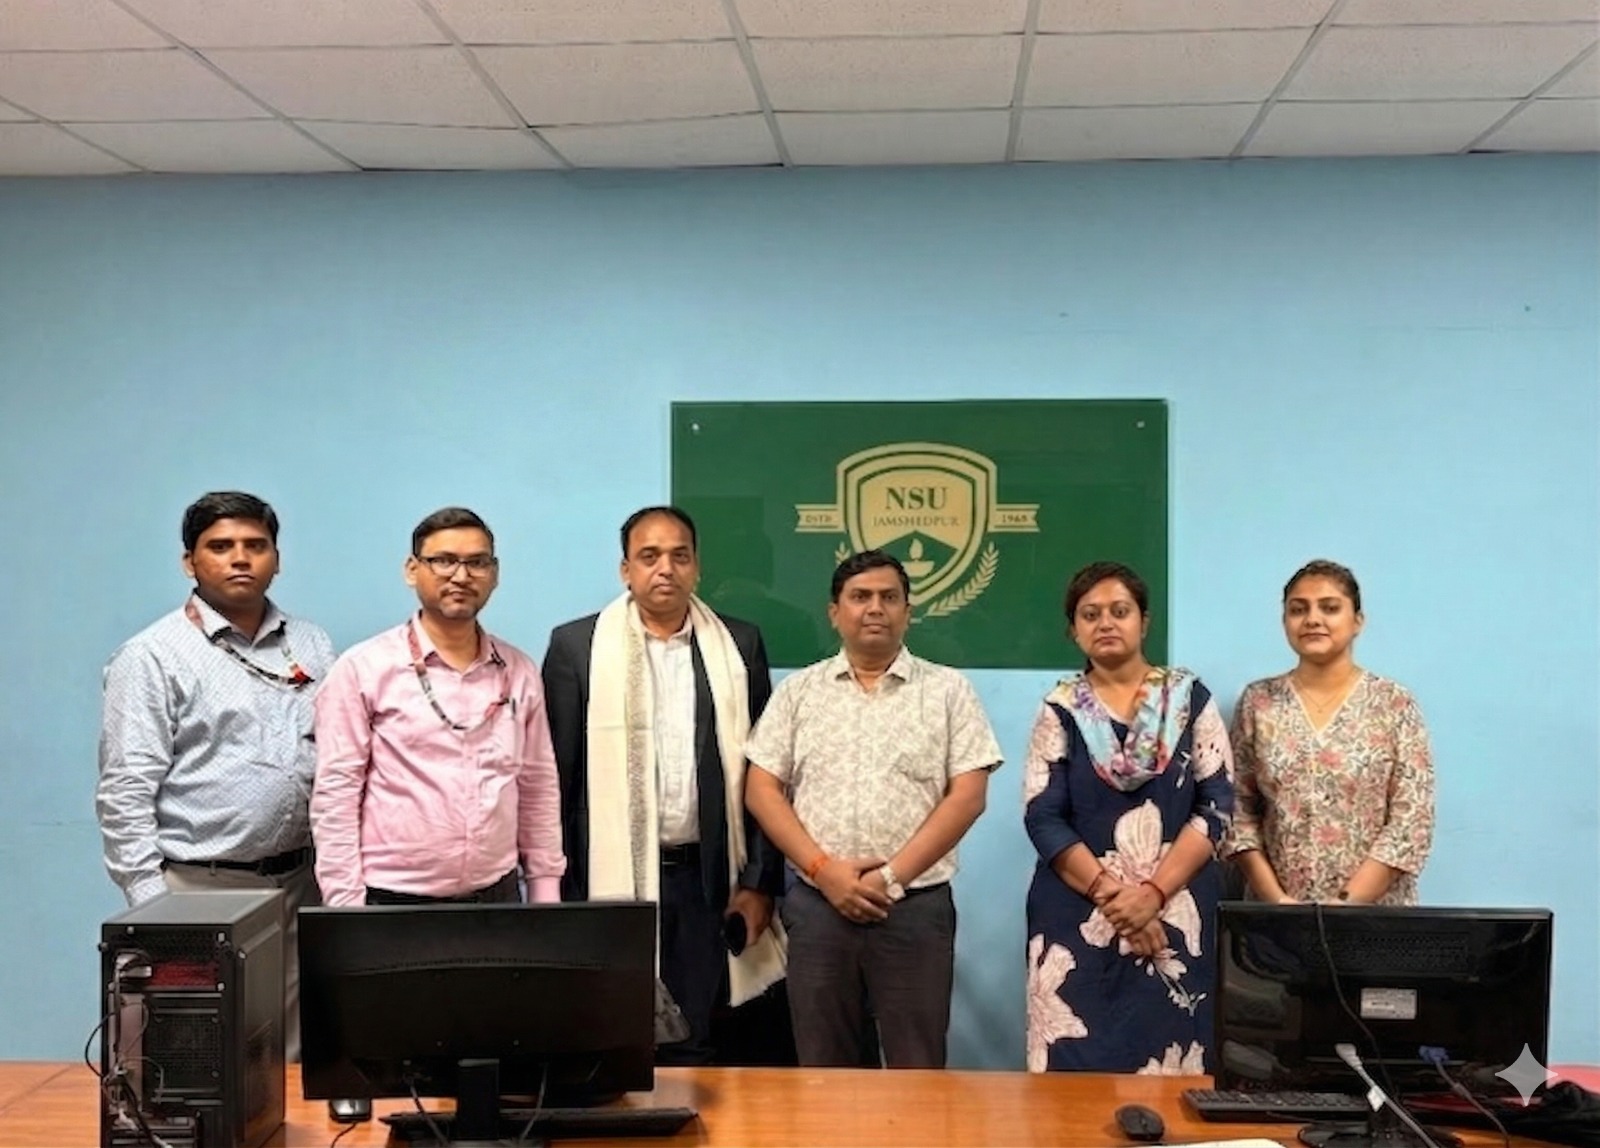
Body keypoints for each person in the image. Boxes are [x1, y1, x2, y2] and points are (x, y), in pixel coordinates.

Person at [542, 506, 787, 1066]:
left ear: (697, 567)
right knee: (611, 1040)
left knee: (696, 1041)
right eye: (649, 556)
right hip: (605, 883)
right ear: (625, 569)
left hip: (707, 881)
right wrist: (558, 893)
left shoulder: (739, 645)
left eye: (680, 556)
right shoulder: (577, 647)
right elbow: (554, 779)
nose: (665, 569)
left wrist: (759, 883)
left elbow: (766, 774)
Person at [96, 491, 336, 1059]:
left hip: (300, 885)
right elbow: (125, 788)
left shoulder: (312, 643)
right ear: (190, 562)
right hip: (198, 888)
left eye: (256, 545)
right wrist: (153, 905)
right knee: (199, 1061)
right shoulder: (153, 655)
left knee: (292, 1057)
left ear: (277, 558)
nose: (240, 558)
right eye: (221, 546)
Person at [744, 549, 1001, 1069]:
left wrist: (890, 877)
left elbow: (968, 796)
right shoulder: (798, 693)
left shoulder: (949, 692)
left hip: (914, 908)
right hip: (818, 907)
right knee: (825, 1067)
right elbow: (761, 790)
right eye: (860, 597)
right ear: (834, 612)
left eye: (889, 597)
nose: (875, 608)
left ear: (908, 611)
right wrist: (824, 871)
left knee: (917, 1066)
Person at [1023, 561, 1234, 1075]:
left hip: (1176, 913)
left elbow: (1217, 805)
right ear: (1073, 630)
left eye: (1119, 611)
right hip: (1078, 916)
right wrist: (1118, 901)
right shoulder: (1061, 709)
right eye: (1090, 614)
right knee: (1075, 1074)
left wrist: (1153, 895)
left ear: (1144, 621)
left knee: (1175, 1065)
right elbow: (1042, 816)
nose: (1105, 623)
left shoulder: (1190, 701)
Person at [310, 507, 564, 908]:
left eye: (477, 562)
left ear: (494, 574)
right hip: (390, 901)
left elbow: (537, 786)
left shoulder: (519, 671)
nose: (461, 576)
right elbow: (336, 795)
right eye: (444, 561)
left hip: (497, 897)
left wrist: (544, 891)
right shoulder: (364, 669)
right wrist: (346, 908)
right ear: (412, 570)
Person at [1225, 559, 1434, 906]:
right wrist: (1277, 902)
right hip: (1277, 918)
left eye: (1330, 608)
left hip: (1375, 918)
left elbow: (1410, 821)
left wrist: (1344, 906)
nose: (1312, 619)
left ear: (1358, 621)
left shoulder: (1393, 703)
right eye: (1298, 609)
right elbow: (1238, 811)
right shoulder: (1259, 702)